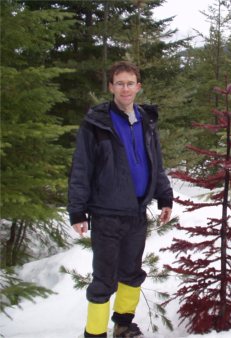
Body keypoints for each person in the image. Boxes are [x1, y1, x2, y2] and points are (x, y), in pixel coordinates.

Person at [68, 60, 173, 338]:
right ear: (111, 87)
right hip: (106, 214)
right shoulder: (96, 123)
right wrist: (77, 211)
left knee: (132, 273)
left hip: (137, 212)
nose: (125, 89)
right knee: (103, 279)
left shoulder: (147, 121)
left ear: (138, 87)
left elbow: (156, 163)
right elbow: (81, 167)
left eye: (130, 83)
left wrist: (165, 196)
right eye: (119, 83)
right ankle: (95, 333)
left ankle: (124, 324)